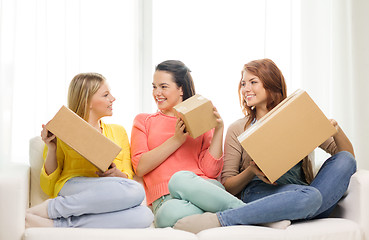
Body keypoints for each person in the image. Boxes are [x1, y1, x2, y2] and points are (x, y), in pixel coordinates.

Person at [173, 58, 357, 233]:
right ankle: (224, 219)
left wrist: (335, 129)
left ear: (270, 84)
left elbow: (347, 156)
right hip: (260, 191)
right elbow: (228, 185)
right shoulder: (237, 128)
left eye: (253, 82)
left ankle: (281, 213)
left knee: (345, 161)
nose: (246, 89)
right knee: (312, 197)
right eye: (243, 84)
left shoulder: (295, 117)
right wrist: (251, 171)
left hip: (301, 192)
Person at [26, 72, 153, 228]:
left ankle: (61, 224)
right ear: (88, 101)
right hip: (73, 186)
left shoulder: (118, 131)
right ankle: (51, 209)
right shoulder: (64, 130)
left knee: (145, 215)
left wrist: (116, 174)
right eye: (106, 95)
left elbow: (127, 178)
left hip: (106, 190)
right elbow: (48, 187)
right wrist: (52, 148)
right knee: (137, 190)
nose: (113, 99)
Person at [130, 60, 247, 228]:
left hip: (204, 188)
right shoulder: (143, 121)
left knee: (180, 179)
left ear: (181, 89)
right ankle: (241, 212)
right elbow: (140, 167)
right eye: (154, 87)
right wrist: (177, 140)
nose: (157, 92)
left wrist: (219, 129)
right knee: (165, 216)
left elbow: (211, 171)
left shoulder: (198, 119)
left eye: (163, 86)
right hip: (166, 200)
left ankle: (245, 212)